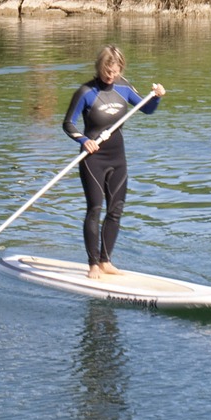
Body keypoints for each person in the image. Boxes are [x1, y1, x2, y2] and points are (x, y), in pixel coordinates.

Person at [62, 44, 166, 279]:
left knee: (116, 210)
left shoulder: (124, 87)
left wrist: (157, 97)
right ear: (99, 67)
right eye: (107, 71)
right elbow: (68, 123)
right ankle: (93, 265)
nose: (111, 75)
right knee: (95, 209)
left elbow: (146, 108)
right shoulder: (86, 91)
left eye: (115, 71)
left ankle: (106, 261)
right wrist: (83, 140)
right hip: (93, 158)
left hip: (118, 158)